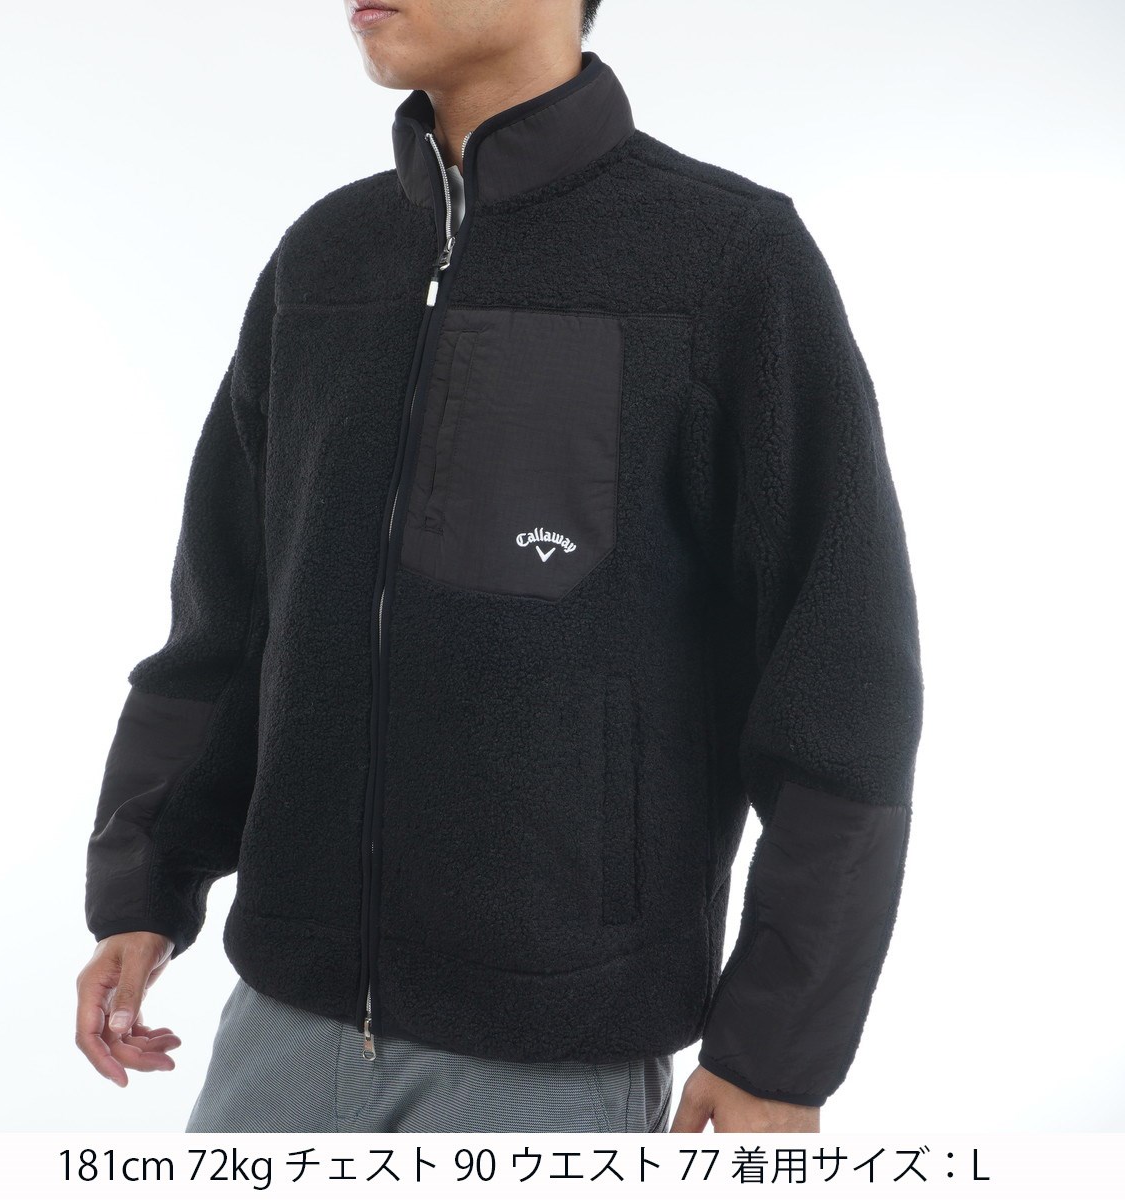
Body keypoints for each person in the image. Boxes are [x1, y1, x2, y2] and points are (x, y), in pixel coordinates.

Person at [75, 0, 924, 1136]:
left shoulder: (727, 259)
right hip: (282, 1025)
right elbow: (225, 626)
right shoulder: (324, 259)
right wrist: (144, 884)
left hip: (549, 1056)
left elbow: (841, 683)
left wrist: (777, 1049)